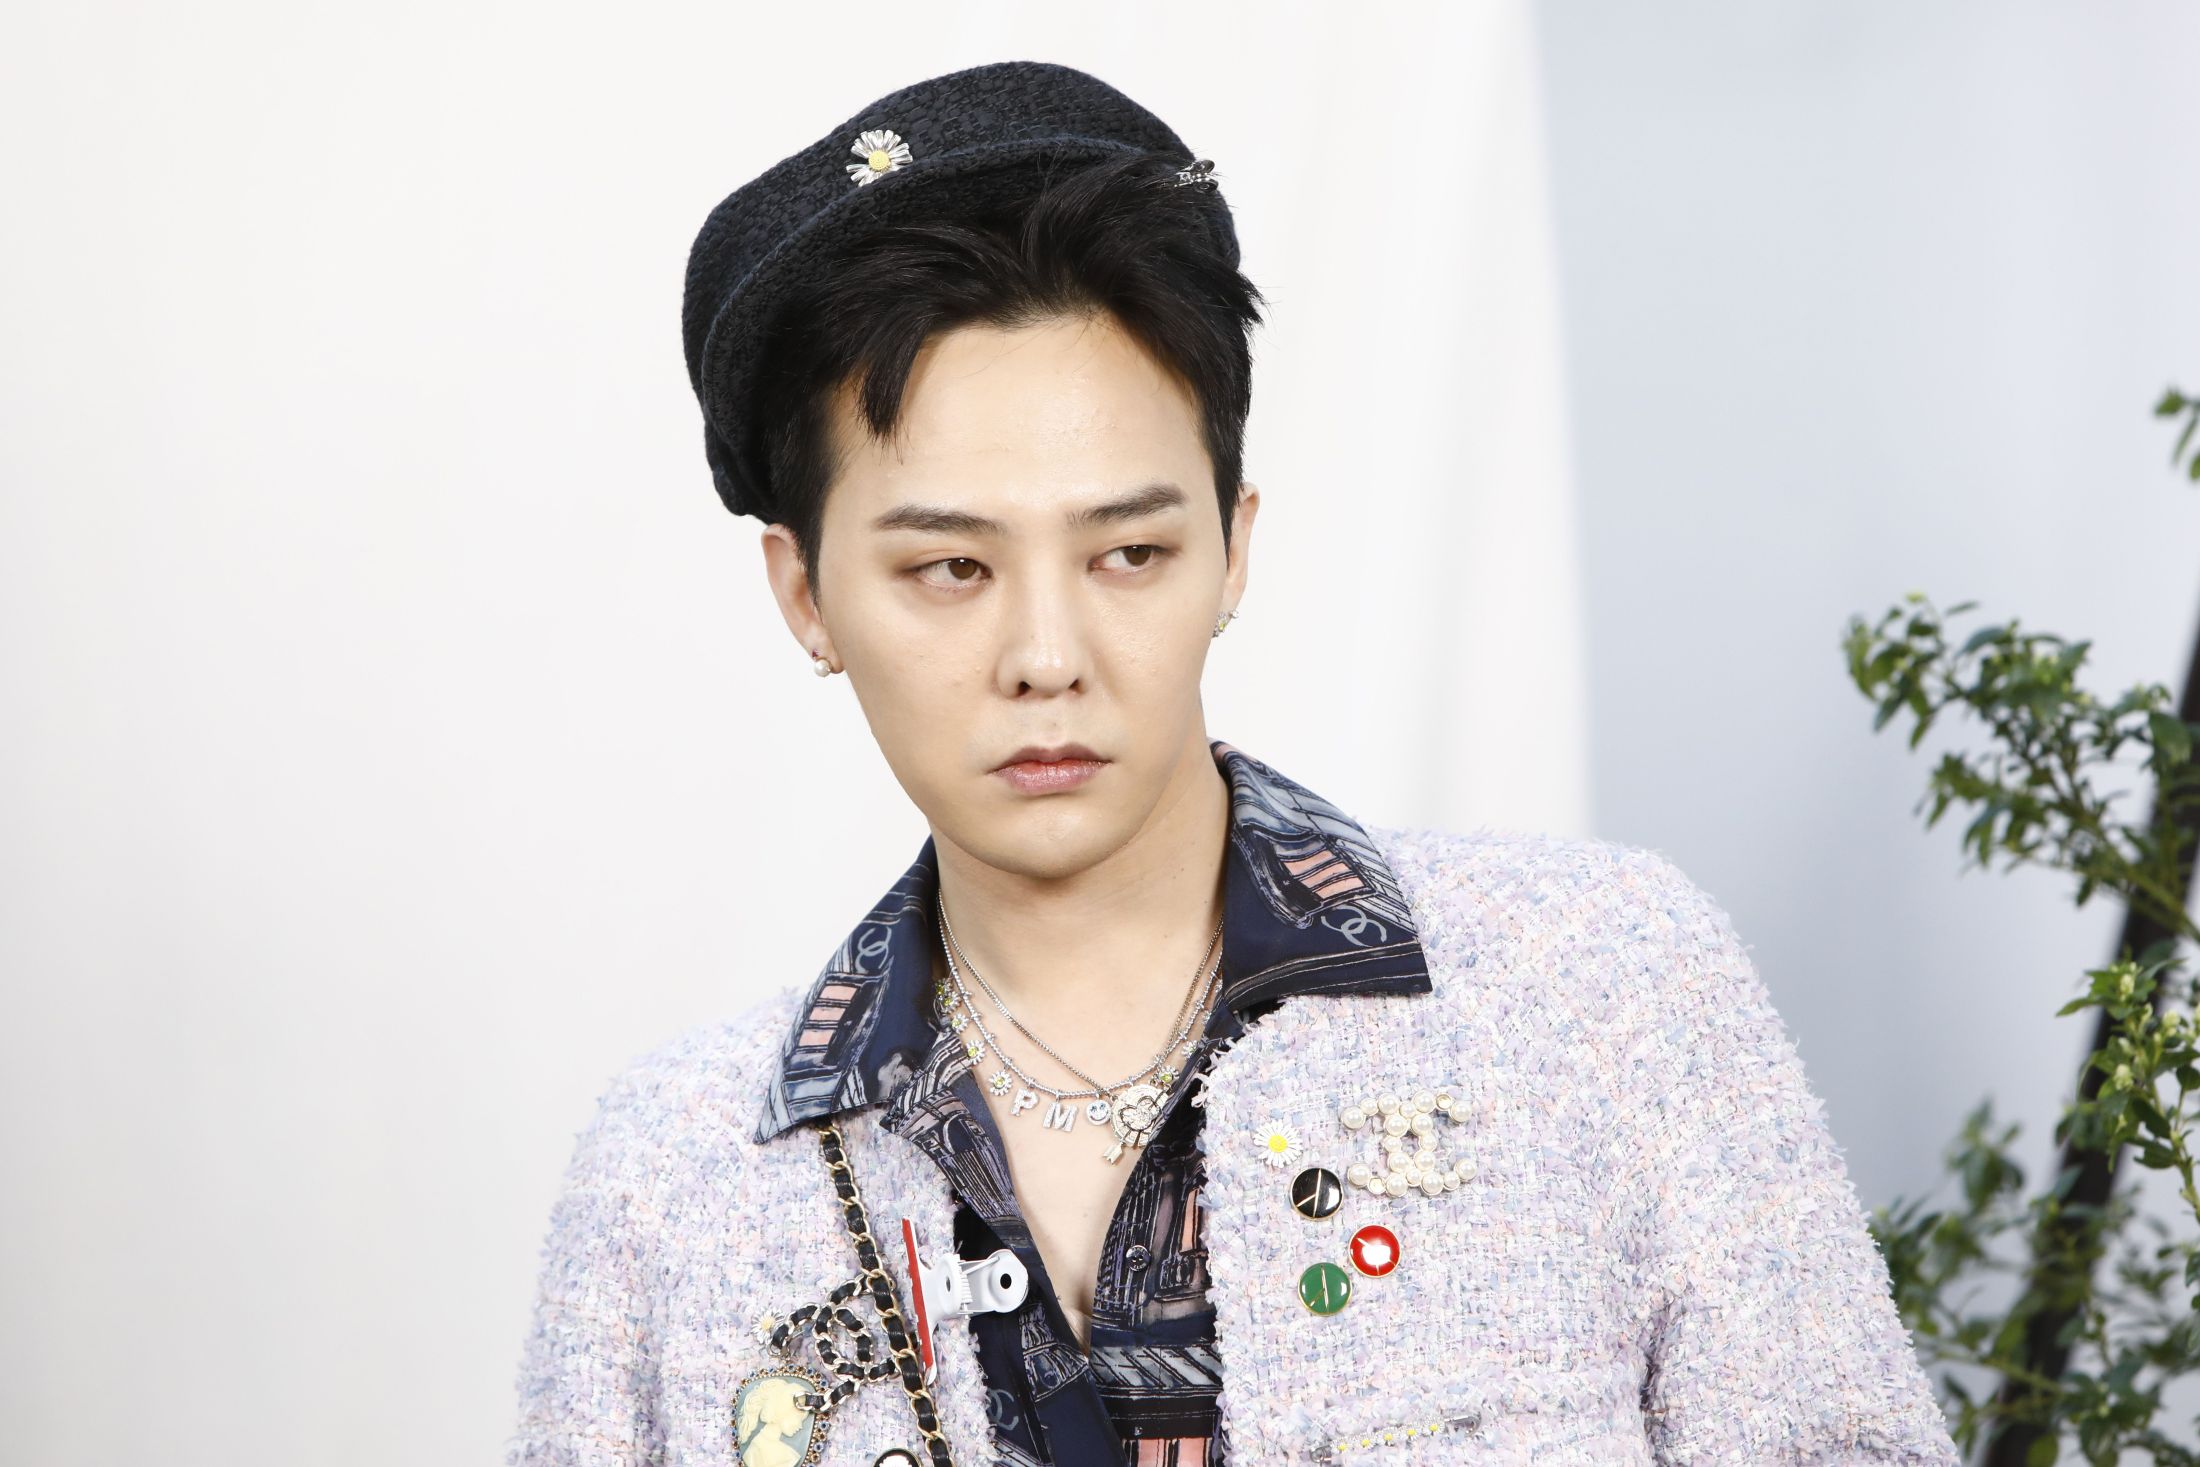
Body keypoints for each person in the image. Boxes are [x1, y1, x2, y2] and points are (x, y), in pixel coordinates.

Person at [507, 60, 1962, 1467]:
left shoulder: (1603, 986)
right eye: (950, 568)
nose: (1047, 655)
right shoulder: (670, 1182)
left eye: (1130, 553)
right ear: (807, 596)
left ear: (1232, 549)